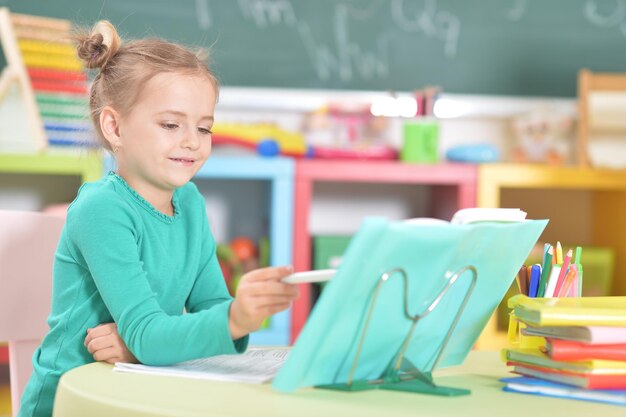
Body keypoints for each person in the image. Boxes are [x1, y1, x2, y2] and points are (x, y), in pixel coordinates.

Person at [18, 20, 299, 417]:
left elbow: (208, 311)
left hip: (141, 391)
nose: (191, 141)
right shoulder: (102, 210)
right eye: (171, 124)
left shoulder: (191, 203)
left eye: (204, 128)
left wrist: (140, 345)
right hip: (71, 403)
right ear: (114, 126)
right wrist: (227, 320)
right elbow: (156, 331)